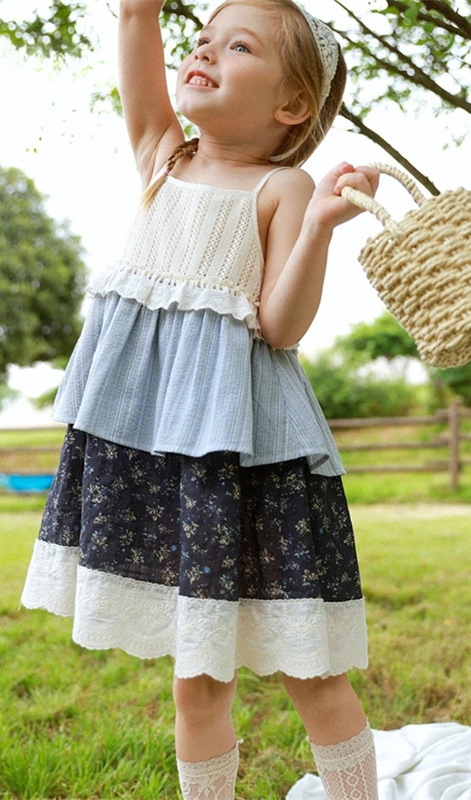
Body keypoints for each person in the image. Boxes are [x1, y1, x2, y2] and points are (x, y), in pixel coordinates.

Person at [21, 0, 380, 797]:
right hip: (156, 455)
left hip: (246, 458)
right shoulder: (163, 157)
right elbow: (136, 34)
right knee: (197, 681)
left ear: (291, 106)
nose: (206, 50)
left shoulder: (283, 186)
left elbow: (281, 328)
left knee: (309, 669)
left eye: (239, 45)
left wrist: (320, 224)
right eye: (203, 39)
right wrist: (138, 14)